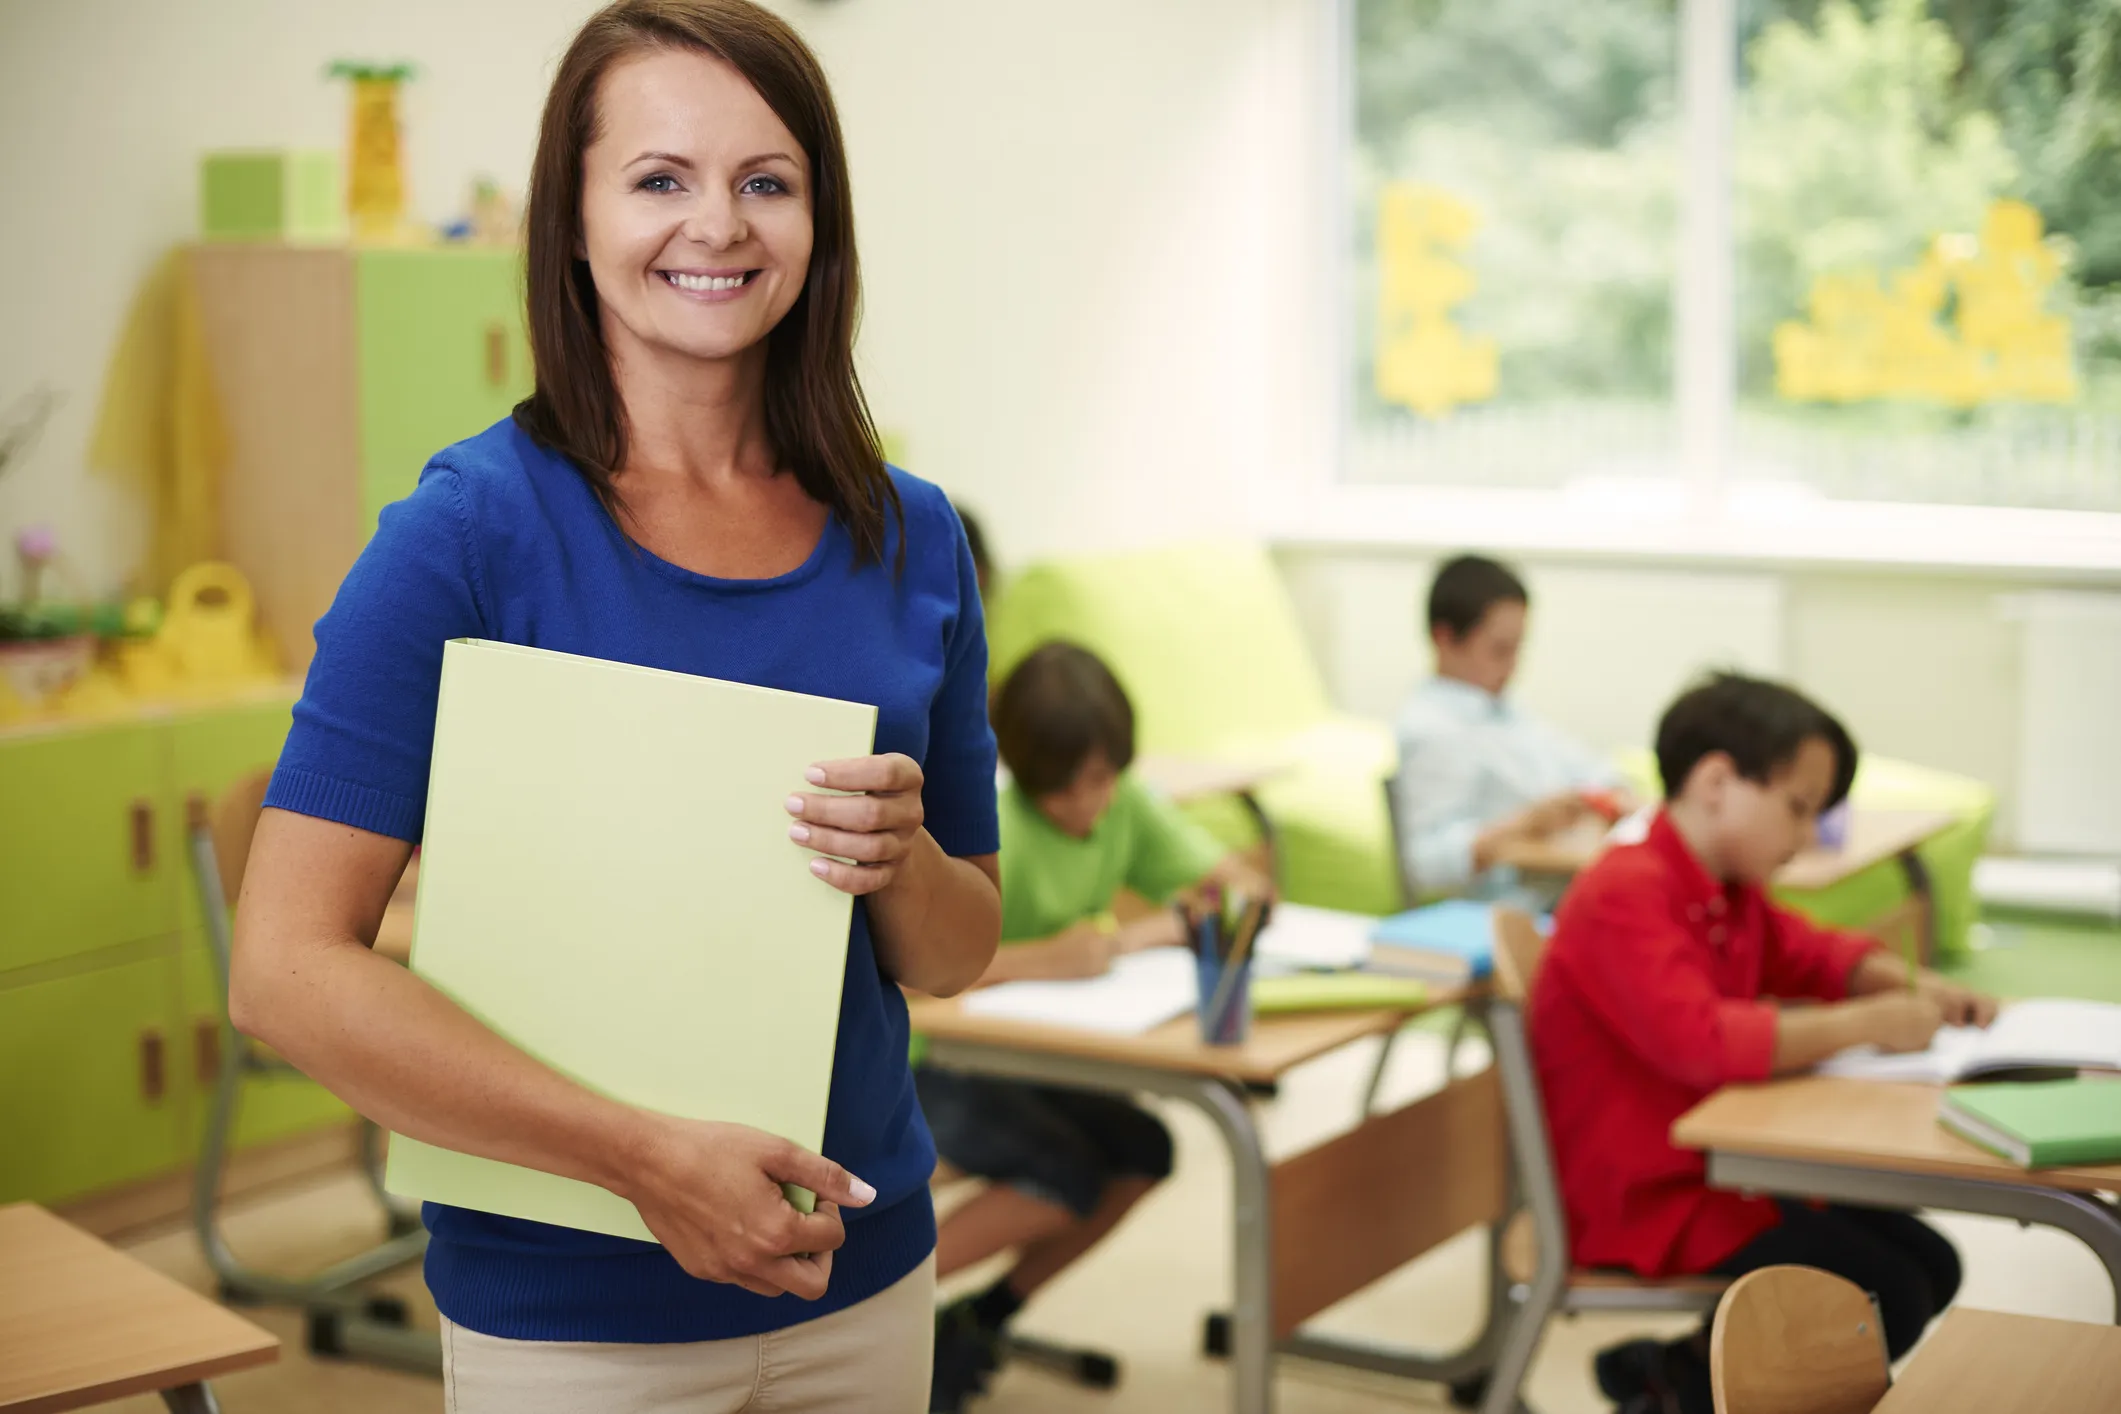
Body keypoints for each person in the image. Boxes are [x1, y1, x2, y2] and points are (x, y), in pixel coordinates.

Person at [227, 4, 1001, 1410]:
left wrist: (908, 865)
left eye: (767, 181)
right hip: (573, 1305)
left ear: (818, 222)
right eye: (659, 179)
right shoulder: (467, 533)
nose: (718, 223)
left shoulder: (916, 536)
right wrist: (644, 1157)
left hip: (865, 1266)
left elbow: (961, 946)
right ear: (571, 220)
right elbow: (282, 968)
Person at [1529, 672, 1997, 1414]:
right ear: (1716, 780)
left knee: (1929, 1265)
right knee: (1888, 1297)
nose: (1808, 836)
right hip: (1645, 1195)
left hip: (1716, 1167)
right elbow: (1704, 1042)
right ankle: (1692, 1383)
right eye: (1798, 808)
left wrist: (1908, 986)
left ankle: (1678, 1376)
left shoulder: (1723, 888)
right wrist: (1869, 1023)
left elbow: (1806, 951)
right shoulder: (1624, 890)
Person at [917, 642, 1271, 1412]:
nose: (1086, 805)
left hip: (1041, 1061)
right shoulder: (987, 817)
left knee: (1145, 1149)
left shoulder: (1124, 801)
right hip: (938, 1061)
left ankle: (979, 1322)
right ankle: (877, 1308)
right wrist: (1050, 957)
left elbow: (1231, 884)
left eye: (1101, 781)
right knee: (1064, 1175)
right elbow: (925, 971)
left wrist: (1222, 898)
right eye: (1062, 792)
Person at [1391, 554, 1629, 905]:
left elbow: (1593, 770)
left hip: (1561, 881)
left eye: (1518, 648)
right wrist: (1522, 826)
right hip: (1510, 906)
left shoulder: (1506, 712)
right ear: (1444, 638)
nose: (1513, 665)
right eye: (1499, 650)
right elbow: (1424, 865)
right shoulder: (1430, 730)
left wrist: (1614, 799)